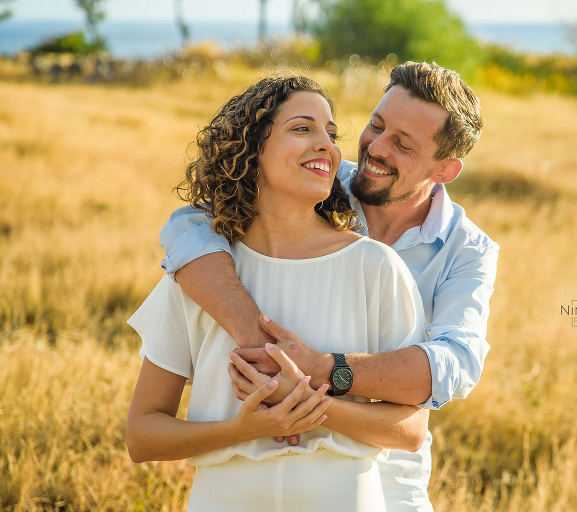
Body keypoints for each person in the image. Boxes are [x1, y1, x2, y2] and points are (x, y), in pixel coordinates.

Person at [159, 61, 499, 511]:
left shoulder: (467, 250)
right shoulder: (317, 181)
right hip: (260, 476)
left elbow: (449, 364)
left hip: (391, 482)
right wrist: (260, 344)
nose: (374, 148)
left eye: (402, 144)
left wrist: (320, 371)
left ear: (444, 169)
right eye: (376, 126)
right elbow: (190, 225)